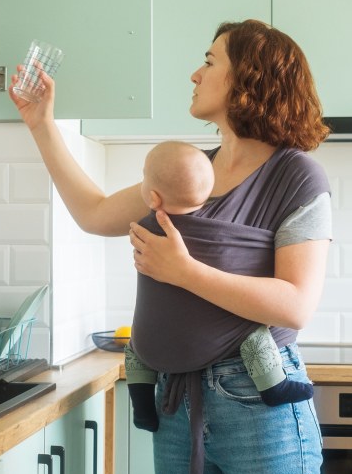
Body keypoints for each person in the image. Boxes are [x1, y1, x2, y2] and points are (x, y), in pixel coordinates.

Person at [10, 18, 331, 474]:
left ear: (250, 78)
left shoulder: (297, 176)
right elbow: (95, 213)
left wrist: (184, 272)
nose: (194, 75)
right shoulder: (188, 173)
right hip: (177, 401)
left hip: (258, 401)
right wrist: (42, 124)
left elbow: (295, 305)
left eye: (209, 61)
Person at [125, 139, 315, 433]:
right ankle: (274, 385)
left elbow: (297, 308)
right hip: (233, 362)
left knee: (135, 348)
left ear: (152, 197)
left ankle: (141, 406)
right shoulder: (216, 232)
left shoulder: (147, 228)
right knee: (253, 332)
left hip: (157, 350)